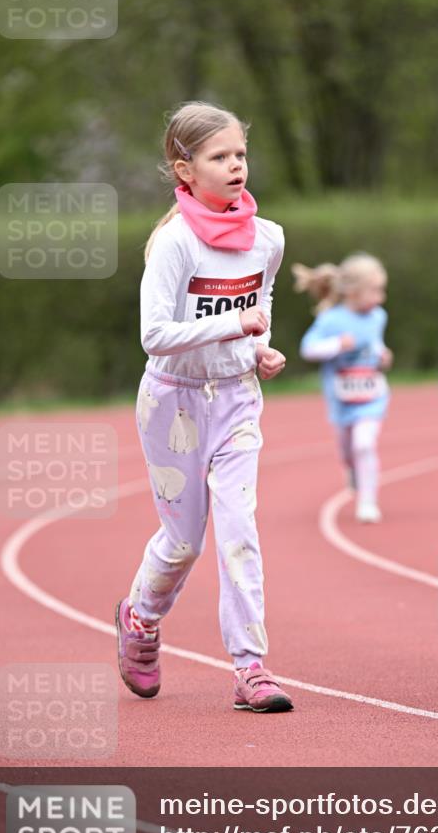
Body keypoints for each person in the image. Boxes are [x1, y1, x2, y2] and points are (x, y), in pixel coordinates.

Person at [116, 101, 293, 712]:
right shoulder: (174, 244)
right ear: (184, 170)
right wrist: (232, 327)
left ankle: (251, 669)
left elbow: (259, 312)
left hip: (239, 401)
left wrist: (261, 349)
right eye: (220, 157)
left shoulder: (267, 239)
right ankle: (140, 618)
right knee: (185, 541)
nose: (236, 165)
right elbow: (154, 336)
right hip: (173, 403)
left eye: (241, 154)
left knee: (240, 531)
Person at [294, 253, 393, 523]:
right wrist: (337, 344)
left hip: (371, 395)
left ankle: (368, 502)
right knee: (348, 450)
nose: (380, 298)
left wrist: (382, 354)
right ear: (353, 291)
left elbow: (375, 344)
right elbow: (308, 349)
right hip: (341, 399)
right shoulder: (331, 320)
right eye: (375, 291)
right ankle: (352, 470)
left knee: (364, 445)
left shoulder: (377, 316)